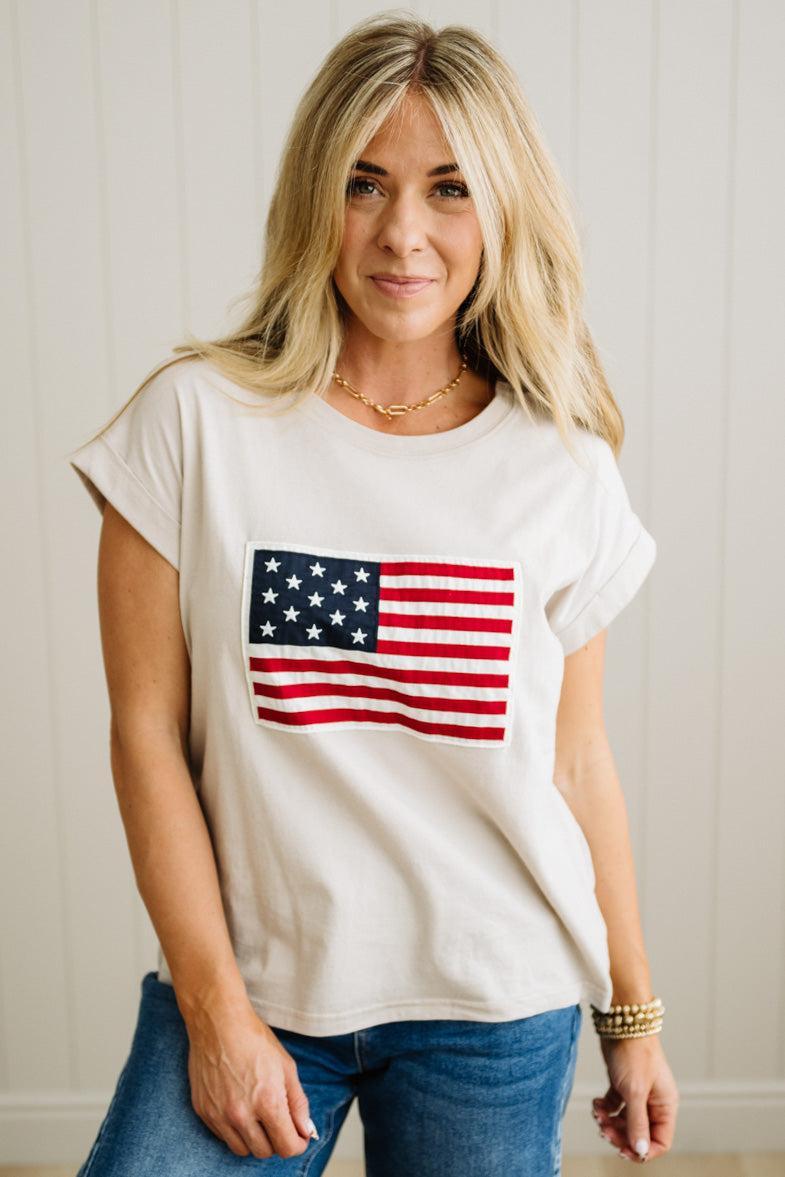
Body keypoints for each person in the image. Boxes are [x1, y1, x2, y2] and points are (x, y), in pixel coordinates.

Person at [66, 12, 679, 1176]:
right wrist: (214, 1011)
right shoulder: (192, 426)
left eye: (450, 188)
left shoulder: (559, 463)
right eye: (363, 183)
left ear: (501, 209)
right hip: (253, 984)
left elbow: (575, 760)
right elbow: (145, 732)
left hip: (492, 1004)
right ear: (315, 197)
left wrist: (631, 1014)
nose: (402, 231)